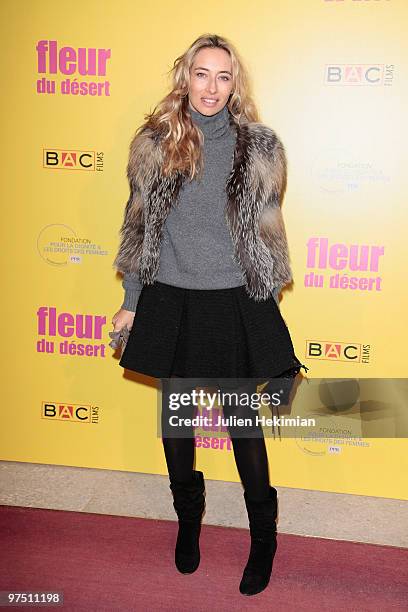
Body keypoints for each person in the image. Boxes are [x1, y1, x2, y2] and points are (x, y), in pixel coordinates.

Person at [111, 33, 308, 597]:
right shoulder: (155, 144)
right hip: (172, 299)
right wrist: (131, 304)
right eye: (202, 74)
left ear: (234, 84)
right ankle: (188, 520)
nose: (212, 87)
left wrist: (264, 311)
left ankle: (264, 537)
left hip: (234, 300)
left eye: (223, 77)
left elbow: (266, 235)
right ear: (185, 77)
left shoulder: (260, 148)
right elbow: (139, 231)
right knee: (177, 426)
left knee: (244, 426)